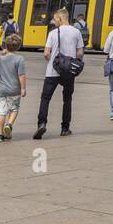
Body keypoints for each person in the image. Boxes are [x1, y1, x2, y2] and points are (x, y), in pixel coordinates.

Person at [33, 8, 84, 139]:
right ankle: (65, 128)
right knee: (67, 100)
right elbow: (79, 53)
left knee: (45, 99)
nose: (53, 22)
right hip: (68, 71)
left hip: (52, 71)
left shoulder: (53, 33)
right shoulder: (76, 32)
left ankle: (42, 123)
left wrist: (51, 61)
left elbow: (46, 53)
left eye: (55, 19)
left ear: (60, 18)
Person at [0, 34, 27, 141]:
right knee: (14, 109)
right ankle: (9, 124)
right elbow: (21, 75)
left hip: (1, 90)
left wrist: (2, 56)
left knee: (0, 112)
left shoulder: (1, 59)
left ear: (6, 46)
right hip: (14, 90)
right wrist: (23, 88)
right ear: (18, 46)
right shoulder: (20, 59)